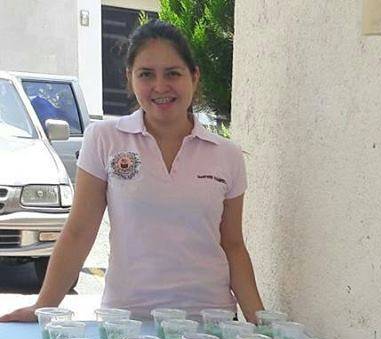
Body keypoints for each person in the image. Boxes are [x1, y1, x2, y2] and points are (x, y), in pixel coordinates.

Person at [0, 19, 264, 322]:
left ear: (194, 76)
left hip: (209, 322)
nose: (160, 87)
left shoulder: (227, 154)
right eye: (146, 74)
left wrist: (261, 322)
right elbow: (79, 232)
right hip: (127, 322)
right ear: (130, 78)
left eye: (173, 74)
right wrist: (43, 306)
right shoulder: (104, 138)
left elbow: (232, 244)